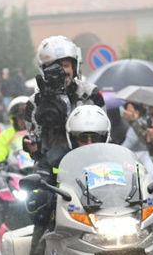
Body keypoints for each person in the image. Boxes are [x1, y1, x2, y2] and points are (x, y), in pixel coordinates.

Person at [30, 105, 110, 255]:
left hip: (107, 218)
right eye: (81, 138)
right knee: (38, 254)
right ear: (71, 137)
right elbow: (43, 173)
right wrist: (44, 189)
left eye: (93, 137)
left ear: (104, 136)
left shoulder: (116, 156)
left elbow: (136, 177)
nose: (87, 142)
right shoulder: (56, 155)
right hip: (67, 217)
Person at [27, 35, 104, 173]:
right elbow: (35, 145)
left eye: (65, 65)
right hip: (54, 172)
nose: (62, 72)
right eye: (54, 68)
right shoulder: (35, 103)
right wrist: (31, 146)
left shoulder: (91, 94)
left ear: (74, 67)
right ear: (44, 70)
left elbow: (106, 134)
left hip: (93, 165)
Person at [0, 96, 29, 169]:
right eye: (20, 116)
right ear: (14, 119)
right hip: (16, 172)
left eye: (27, 116)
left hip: (40, 169)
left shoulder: (41, 131)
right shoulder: (5, 135)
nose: (24, 120)